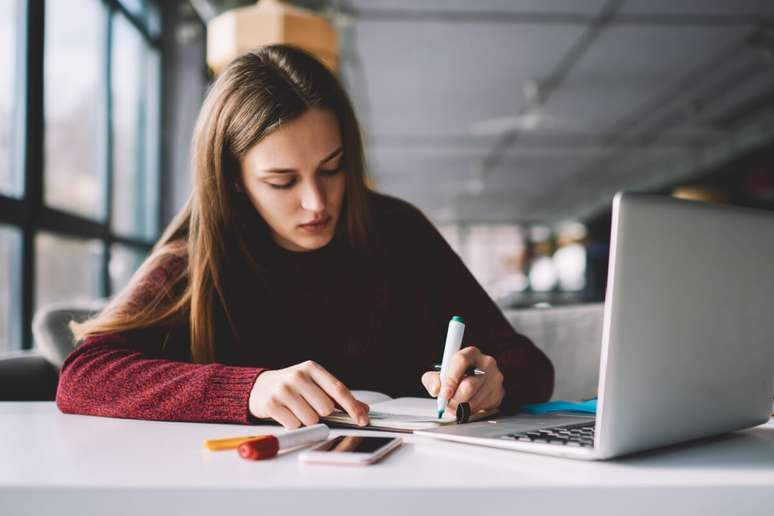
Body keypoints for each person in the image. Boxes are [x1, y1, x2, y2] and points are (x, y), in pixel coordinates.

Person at [56, 45, 554, 429]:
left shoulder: (398, 230)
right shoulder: (197, 257)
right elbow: (83, 376)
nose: (317, 202)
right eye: (282, 182)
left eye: (332, 169)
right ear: (233, 178)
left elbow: (530, 363)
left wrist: (490, 381)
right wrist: (249, 390)